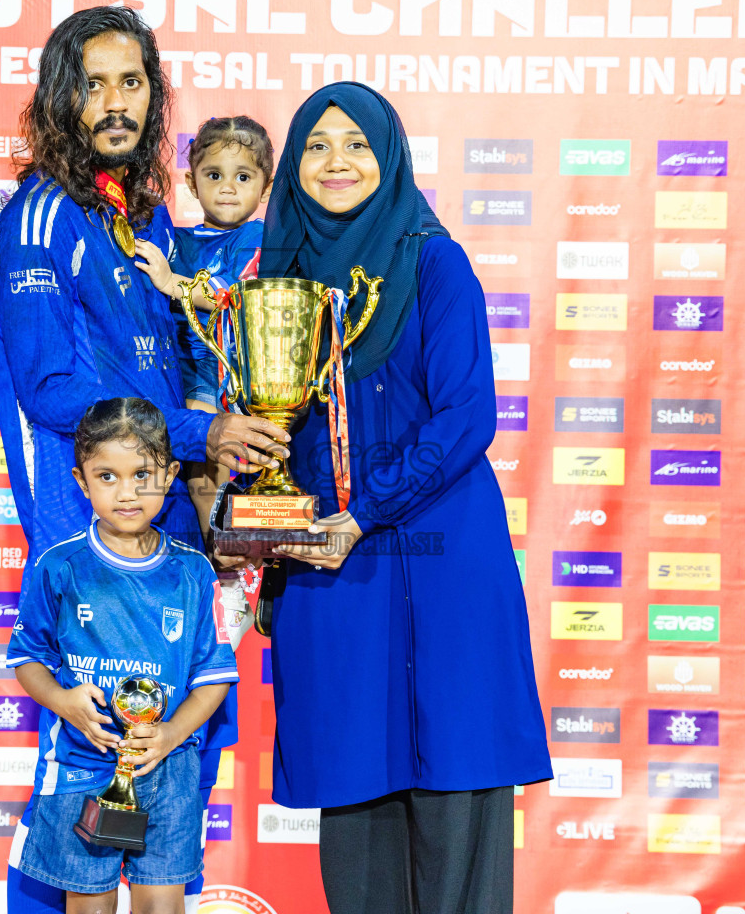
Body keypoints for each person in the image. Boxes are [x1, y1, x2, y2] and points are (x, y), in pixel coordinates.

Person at [0, 5, 286, 914]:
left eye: (132, 82)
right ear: (61, 97)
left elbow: (181, 364)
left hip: (172, 532)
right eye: (93, 84)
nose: (116, 103)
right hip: (92, 542)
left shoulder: (146, 218)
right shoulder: (40, 216)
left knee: (178, 762)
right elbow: (52, 388)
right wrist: (199, 437)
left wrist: (224, 454)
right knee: (84, 778)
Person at [259, 83, 552, 914]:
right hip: (333, 570)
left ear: (388, 156)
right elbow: (274, 429)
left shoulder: (433, 263)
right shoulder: (274, 278)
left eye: (357, 143)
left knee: (455, 786)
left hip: (437, 554)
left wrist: (363, 512)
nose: (337, 161)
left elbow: (466, 416)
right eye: (317, 145)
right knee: (354, 802)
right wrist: (257, 507)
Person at [6, 398, 239, 914]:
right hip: (81, 765)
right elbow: (27, 659)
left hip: (170, 767)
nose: (127, 492)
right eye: (107, 476)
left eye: (143, 475)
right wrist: (63, 702)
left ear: (170, 475)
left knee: (163, 905)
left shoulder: (193, 572)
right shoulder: (59, 566)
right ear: (81, 481)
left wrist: (172, 734)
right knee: (89, 904)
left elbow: (215, 676)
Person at [132, 115, 274, 544]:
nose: (227, 187)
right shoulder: (175, 238)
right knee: (186, 464)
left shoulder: (256, 237)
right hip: (170, 369)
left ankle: (222, 541)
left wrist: (171, 282)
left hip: (219, 371)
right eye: (214, 175)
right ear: (192, 183)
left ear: (266, 188)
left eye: (243, 177)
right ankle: (209, 542)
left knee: (210, 455)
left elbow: (231, 297)